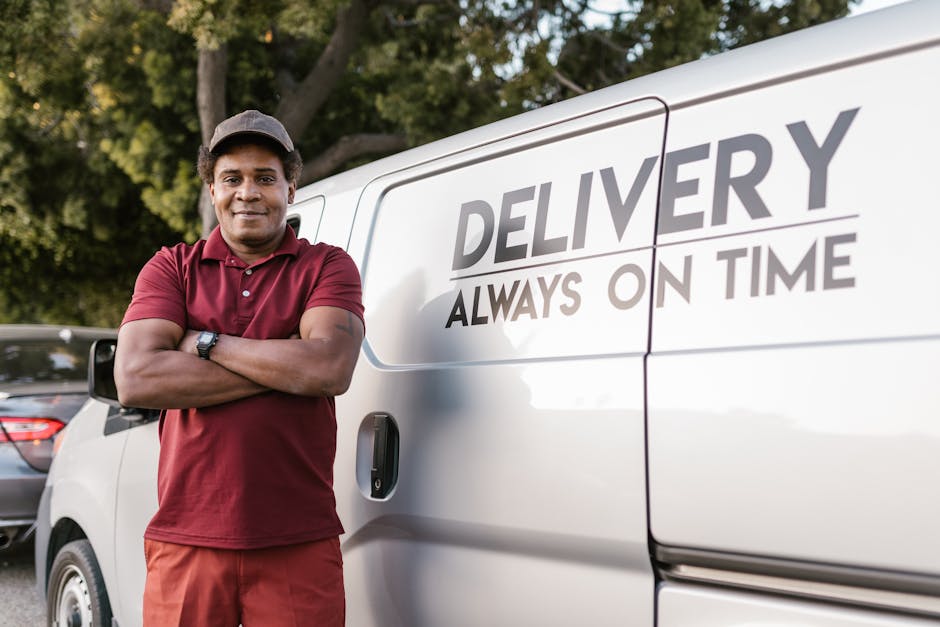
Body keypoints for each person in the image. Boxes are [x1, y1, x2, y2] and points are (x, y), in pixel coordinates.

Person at [114, 109, 365, 627]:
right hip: (186, 538)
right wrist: (283, 360)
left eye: (265, 178)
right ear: (212, 190)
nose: (247, 192)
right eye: (232, 178)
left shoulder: (327, 265)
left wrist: (203, 342)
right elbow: (137, 378)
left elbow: (327, 369)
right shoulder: (171, 266)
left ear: (291, 188)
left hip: (298, 537)